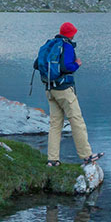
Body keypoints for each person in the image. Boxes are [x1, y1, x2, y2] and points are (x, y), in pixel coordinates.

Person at [36, 21, 102, 167]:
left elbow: (37, 64)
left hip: (50, 89)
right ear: (71, 34)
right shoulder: (67, 46)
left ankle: (53, 159)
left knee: (55, 124)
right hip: (64, 90)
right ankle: (87, 156)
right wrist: (77, 64)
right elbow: (67, 67)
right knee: (76, 121)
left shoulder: (51, 44)